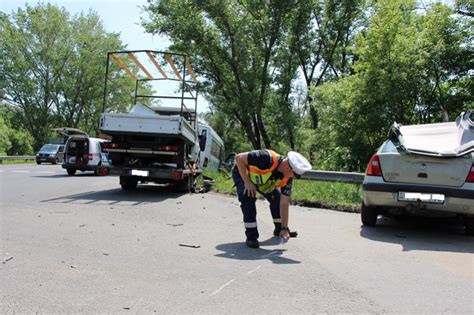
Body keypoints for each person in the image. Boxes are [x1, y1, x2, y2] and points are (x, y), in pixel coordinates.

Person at [232, 149, 312, 248]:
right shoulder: (265, 157)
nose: (295, 178)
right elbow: (239, 158)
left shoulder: (288, 178)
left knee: (277, 199)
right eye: (296, 175)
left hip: (263, 182)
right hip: (243, 175)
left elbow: (284, 203)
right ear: (288, 168)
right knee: (248, 197)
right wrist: (247, 182)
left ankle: (279, 230)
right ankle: (251, 237)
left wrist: (285, 228)